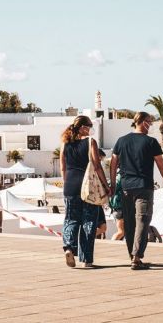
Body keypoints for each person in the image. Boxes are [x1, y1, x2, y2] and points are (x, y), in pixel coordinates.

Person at [110, 111, 163, 270]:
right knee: (143, 220)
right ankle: (136, 256)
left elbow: (113, 163)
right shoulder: (151, 142)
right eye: (149, 122)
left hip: (126, 187)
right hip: (144, 187)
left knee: (130, 224)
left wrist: (112, 184)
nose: (151, 125)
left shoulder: (121, 141)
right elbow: (161, 164)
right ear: (143, 122)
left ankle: (133, 256)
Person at [60, 115, 108, 268]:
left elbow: (63, 167)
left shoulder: (65, 144)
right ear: (82, 127)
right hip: (88, 187)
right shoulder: (90, 142)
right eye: (88, 127)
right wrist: (106, 186)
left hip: (70, 186)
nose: (90, 130)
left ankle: (68, 247)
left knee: (70, 219)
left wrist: (66, 183)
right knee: (88, 223)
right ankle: (87, 260)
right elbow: (97, 165)